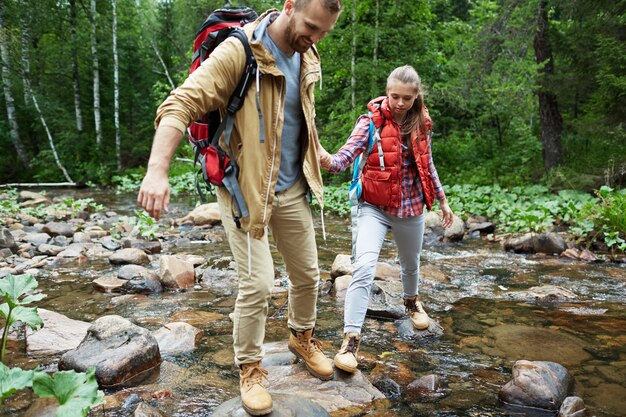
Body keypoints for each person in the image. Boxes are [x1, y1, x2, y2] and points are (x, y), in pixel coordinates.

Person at [137, 1, 343, 415]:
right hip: (245, 189)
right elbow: (180, 103)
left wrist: (315, 147)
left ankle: (301, 338)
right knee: (260, 283)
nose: (315, 38)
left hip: (291, 187)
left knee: (307, 276)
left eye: (324, 32)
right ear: (288, 6)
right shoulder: (240, 51)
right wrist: (157, 171)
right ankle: (250, 368)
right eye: (310, 27)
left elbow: (297, 110)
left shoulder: (308, 51)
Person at [318, 65, 454, 374]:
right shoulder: (370, 123)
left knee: (411, 263)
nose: (400, 103)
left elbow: (428, 164)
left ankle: (411, 302)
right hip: (374, 207)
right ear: (387, 91)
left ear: (416, 95)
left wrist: (443, 202)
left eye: (407, 97)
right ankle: (350, 340)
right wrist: (324, 156)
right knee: (364, 267)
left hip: (412, 208)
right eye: (395, 96)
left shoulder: (423, 123)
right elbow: (341, 160)